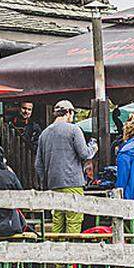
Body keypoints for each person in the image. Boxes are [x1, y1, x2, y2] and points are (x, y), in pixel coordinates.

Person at [35, 100, 96, 235]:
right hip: (73, 183)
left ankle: (56, 253)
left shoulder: (44, 134)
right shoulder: (74, 130)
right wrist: (93, 147)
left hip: (54, 184)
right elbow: (85, 154)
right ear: (68, 112)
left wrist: (47, 180)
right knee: (73, 220)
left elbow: (38, 165)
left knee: (58, 221)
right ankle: (72, 253)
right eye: (72, 113)